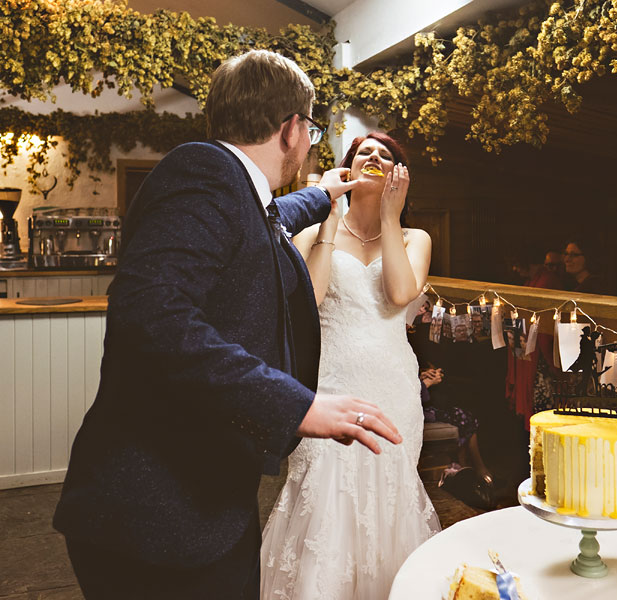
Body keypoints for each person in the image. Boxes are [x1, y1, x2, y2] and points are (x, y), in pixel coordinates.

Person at [52, 50, 402, 599]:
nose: (309, 142)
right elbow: (154, 319)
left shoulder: (234, 190)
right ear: (291, 129)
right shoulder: (203, 171)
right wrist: (298, 405)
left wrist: (323, 195)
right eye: (310, 129)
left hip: (197, 507)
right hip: (158, 517)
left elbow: (267, 222)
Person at [260, 132, 440, 599]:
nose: (375, 158)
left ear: (399, 176)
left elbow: (400, 294)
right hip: (329, 382)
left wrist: (389, 216)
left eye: (387, 155)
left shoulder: (414, 237)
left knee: (388, 499)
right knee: (324, 498)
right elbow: (311, 299)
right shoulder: (314, 232)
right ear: (346, 169)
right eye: (365, 153)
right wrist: (327, 222)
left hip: (393, 385)